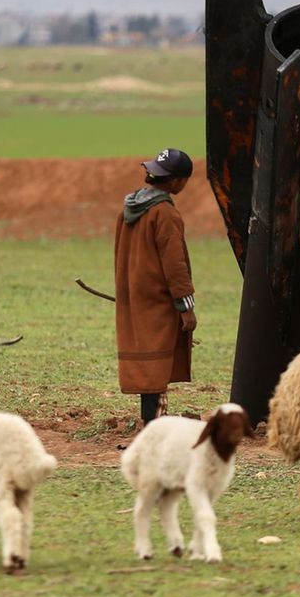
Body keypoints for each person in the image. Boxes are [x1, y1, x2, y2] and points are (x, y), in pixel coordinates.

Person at [114, 147, 198, 428]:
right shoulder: (165, 214)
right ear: (176, 182)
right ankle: (155, 426)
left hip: (134, 295)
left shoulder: (128, 209)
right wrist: (186, 307)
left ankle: (150, 420)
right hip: (158, 300)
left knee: (147, 360)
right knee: (158, 362)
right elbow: (176, 266)